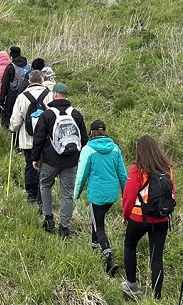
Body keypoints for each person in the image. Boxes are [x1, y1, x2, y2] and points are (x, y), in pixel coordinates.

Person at [121, 136, 175, 300]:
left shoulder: (137, 169)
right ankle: (157, 297)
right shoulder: (167, 169)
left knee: (130, 245)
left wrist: (125, 215)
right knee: (156, 257)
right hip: (161, 219)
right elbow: (173, 195)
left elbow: (129, 196)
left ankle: (132, 285)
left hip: (138, 218)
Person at [30, 83, 86, 237]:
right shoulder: (76, 114)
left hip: (50, 160)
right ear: (67, 95)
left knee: (45, 185)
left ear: (54, 95)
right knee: (67, 194)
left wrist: (35, 158)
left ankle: (48, 219)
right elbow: (84, 139)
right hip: (70, 161)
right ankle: (64, 228)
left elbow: (39, 138)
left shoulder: (47, 115)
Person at [73, 120, 127, 276]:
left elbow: (82, 175)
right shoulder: (115, 148)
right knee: (96, 221)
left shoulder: (88, 150)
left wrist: (76, 194)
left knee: (99, 226)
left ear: (91, 133)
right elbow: (123, 174)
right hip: (111, 195)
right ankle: (94, 246)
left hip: (96, 195)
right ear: (105, 132)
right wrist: (126, 194)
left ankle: (109, 259)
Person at [8, 70, 51, 205]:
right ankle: (42, 194)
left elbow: (15, 122)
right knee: (44, 167)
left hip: (27, 139)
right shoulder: (49, 95)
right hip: (46, 140)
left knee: (30, 165)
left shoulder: (22, 96)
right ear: (42, 80)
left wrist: (12, 128)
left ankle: (31, 195)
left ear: (29, 81)